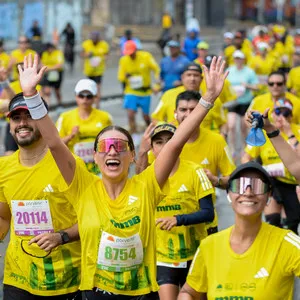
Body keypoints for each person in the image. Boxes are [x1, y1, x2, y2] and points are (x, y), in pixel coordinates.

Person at [18, 54, 227, 299]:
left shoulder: (147, 184)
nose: (112, 151)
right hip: (95, 292)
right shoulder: (83, 185)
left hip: (141, 293)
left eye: (120, 146)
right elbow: (54, 143)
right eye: (105, 147)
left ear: (131, 155)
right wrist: (31, 96)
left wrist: (209, 97)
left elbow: (175, 143)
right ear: (95, 157)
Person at [178, 161, 300, 300]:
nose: (248, 192)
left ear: (268, 195)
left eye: (257, 186)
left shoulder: (286, 243)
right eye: (240, 185)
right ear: (229, 194)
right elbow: (188, 292)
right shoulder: (209, 246)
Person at [0, 93, 81, 299]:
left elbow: (95, 216)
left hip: (67, 280)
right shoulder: (3, 168)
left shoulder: (69, 164)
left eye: (30, 116)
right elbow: (3, 218)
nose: (22, 123)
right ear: (9, 125)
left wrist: (62, 237)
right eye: (16, 118)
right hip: (19, 279)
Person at [136, 123, 215, 300]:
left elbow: (209, 213)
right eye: (159, 142)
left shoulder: (195, 171)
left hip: (195, 255)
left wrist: (178, 219)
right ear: (152, 148)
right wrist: (141, 152)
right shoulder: (148, 176)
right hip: (163, 256)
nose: (165, 146)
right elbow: (137, 190)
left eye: (170, 140)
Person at [141, 91, 236, 235]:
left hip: (203, 224)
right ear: (175, 113)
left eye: (193, 110)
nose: (188, 114)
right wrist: (142, 152)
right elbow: (142, 179)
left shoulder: (217, 141)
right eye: (183, 110)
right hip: (167, 226)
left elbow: (234, 182)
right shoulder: (166, 141)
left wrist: (216, 181)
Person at [242, 99, 300, 233]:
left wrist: (290, 133)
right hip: (273, 182)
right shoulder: (263, 132)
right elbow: (246, 157)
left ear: (291, 116)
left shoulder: (297, 130)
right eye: (278, 112)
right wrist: (254, 175)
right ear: (273, 114)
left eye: (286, 114)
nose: (281, 117)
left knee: (290, 225)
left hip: (293, 183)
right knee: (272, 221)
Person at [56, 79, 112, 175]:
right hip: (75, 170)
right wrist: (70, 136)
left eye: (89, 96)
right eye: (81, 96)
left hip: (99, 170)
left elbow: (113, 143)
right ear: (76, 97)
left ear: (95, 98)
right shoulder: (65, 117)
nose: (84, 99)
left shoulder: (105, 117)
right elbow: (55, 146)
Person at [118, 40, 160, 134]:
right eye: (128, 54)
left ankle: (151, 132)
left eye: (132, 53)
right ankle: (133, 135)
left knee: (145, 116)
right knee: (130, 114)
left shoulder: (146, 56)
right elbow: (120, 77)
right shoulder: (123, 60)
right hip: (131, 91)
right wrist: (126, 76)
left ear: (136, 50)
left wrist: (157, 84)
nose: (130, 55)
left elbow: (156, 69)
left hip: (145, 91)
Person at [226, 50, 259, 156]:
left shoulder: (249, 72)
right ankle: (232, 149)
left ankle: (244, 150)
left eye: (239, 58)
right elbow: (224, 84)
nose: (238, 60)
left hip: (245, 102)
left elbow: (257, 87)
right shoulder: (230, 70)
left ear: (243, 59)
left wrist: (247, 86)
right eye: (236, 58)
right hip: (233, 102)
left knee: (244, 127)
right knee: (231, 125)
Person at [81, 31, 110, 108]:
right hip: (89, 70)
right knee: (90, 89)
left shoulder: (104, 45)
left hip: (98, 71)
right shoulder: (86, 44)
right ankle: (91, 105)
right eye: (92, 39)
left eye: (95, 40)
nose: (94, 41)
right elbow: (82, 54)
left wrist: (101, 59)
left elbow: (107, 55)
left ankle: (97, 106)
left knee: (97, 88)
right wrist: (87, 54)